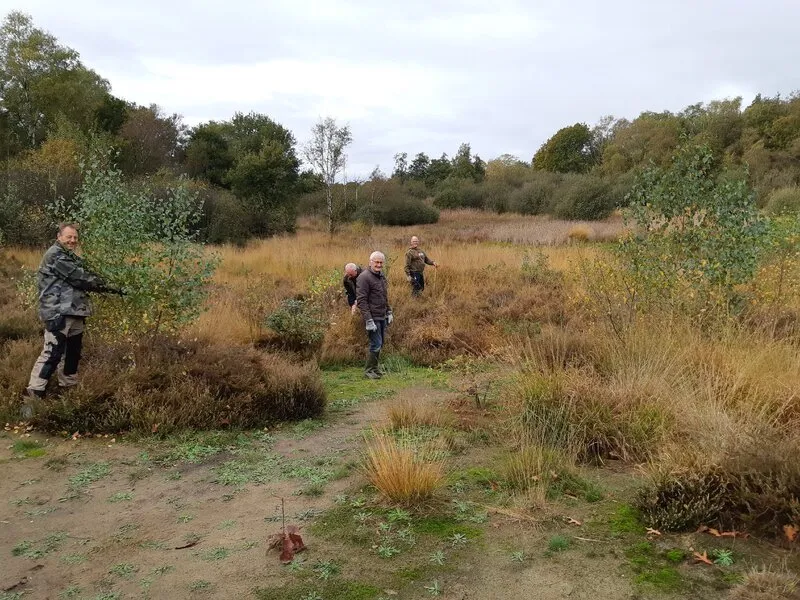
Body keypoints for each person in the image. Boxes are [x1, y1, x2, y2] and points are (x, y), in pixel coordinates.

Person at [23, 223, 123, 418]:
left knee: (72, 353)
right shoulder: (56, 255)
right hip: (57, 312)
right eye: (69, 237)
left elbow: (85, 274)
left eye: (75, 237)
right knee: (52, 351)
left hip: (75, 312)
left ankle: (68, 388)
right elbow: (81, 278)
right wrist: (113, 286)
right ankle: (34, 394)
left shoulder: (71, 256)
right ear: (59, 237)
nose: (72, 241)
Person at [355, 251, 393, 379]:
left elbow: (384, 296)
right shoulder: (364, 277)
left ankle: (375, 369)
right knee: (376, 344)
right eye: (376, 262)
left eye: (381, 262)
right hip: (372, 317)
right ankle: (368, 371)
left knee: (380, 343)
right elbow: (361, 300)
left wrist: (389, 311)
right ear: (370, 262)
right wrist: (368, 320)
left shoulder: (381, 276)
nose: (379, 264)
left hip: (382, 315)